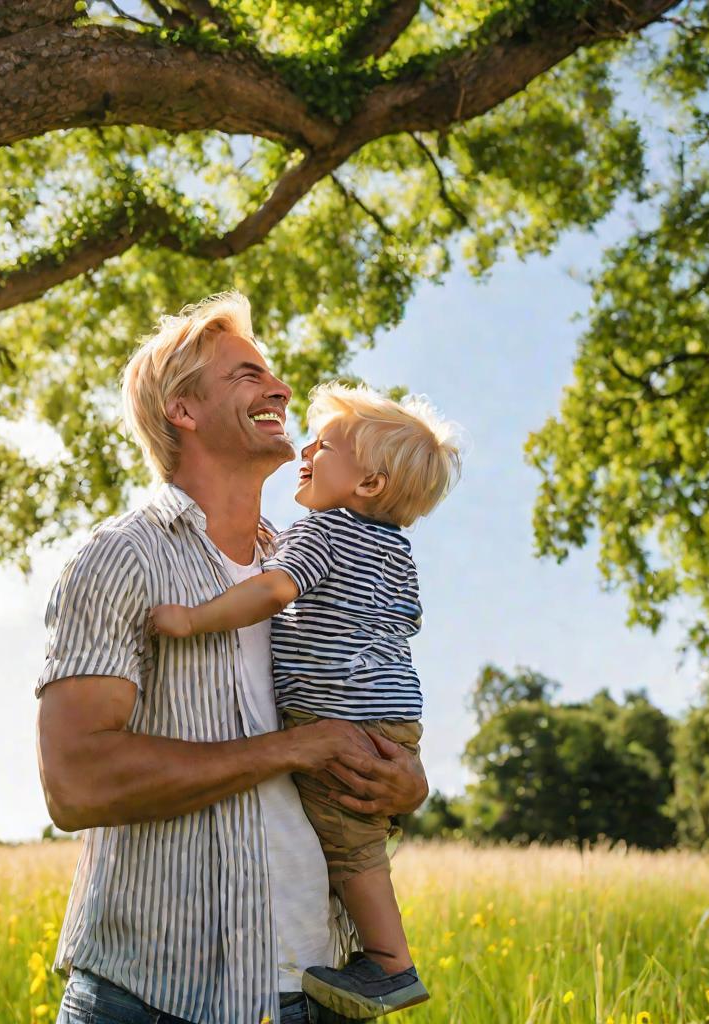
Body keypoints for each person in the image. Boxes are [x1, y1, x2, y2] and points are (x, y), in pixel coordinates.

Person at [35, 291, 429, 1024]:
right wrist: (293, 747)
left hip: (318, 993)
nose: (281, 389)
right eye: (248, 376)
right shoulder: (121, 558)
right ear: (183, 409)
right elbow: (76, 783)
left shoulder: (316, 564)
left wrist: (401, 785)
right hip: (153, 999)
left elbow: (359, 717)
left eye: (273, 376)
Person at [149, 382, 461, 1019]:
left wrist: (193, 620)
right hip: (391, 716)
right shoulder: (393, 550)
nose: (306, 449)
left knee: (352, 849)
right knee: (356, 839)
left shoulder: (323, 534)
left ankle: (392, 964)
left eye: (327, 445)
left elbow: (272, 592)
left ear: (368, 485)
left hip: (339, 719)